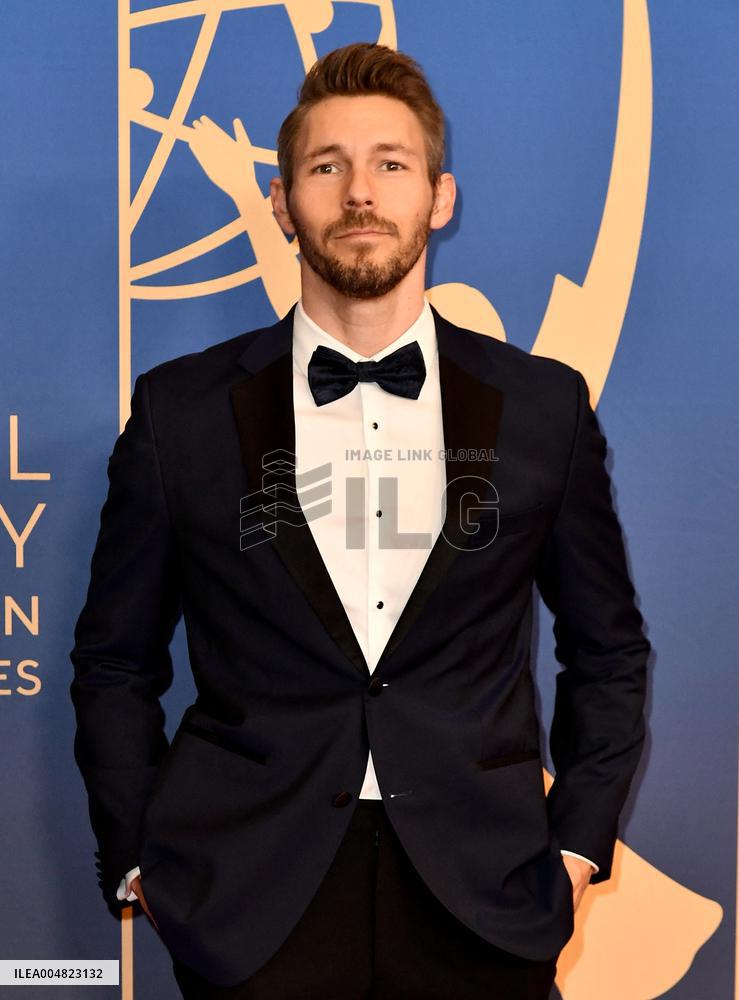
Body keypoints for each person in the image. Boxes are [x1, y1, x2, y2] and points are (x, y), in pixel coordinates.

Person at [70, 42, 649, 1000]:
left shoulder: (543, 407)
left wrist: (577, 851)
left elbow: (609, 650)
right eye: (325, 166)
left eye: (390, 164)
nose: (360, 194)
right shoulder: (179, 413)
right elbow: (115, 662)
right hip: (250, 903)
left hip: (483, 899)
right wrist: (145, 860)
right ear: (280, 200)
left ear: (440, 195)